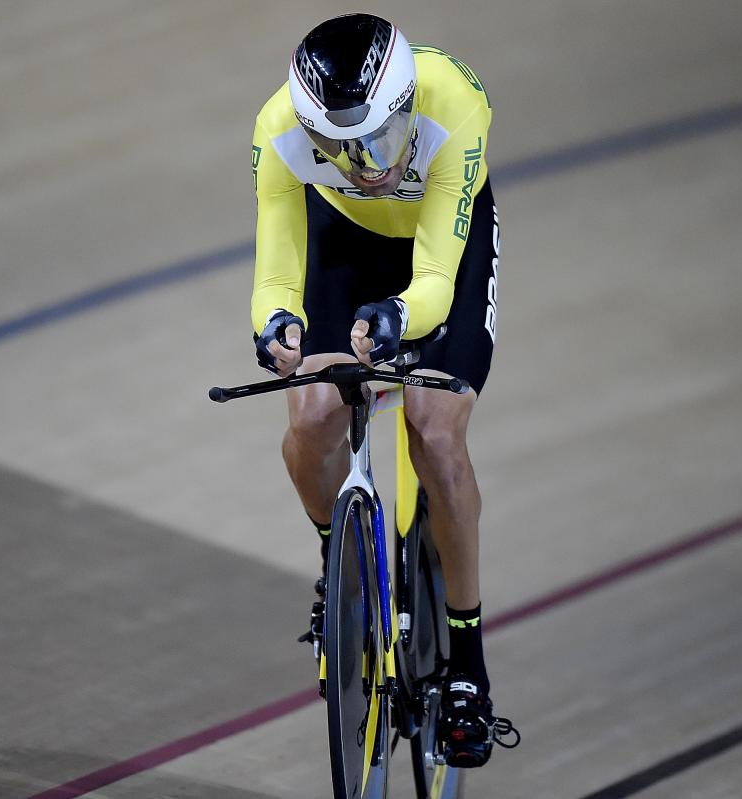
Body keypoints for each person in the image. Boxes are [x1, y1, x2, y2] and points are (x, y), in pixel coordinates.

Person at [249, 13, 512, 767]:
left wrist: (402, 315)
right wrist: (274, 325)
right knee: (311, 414)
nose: (367, 165)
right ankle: (342, 566)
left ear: (405, 110)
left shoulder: (455, 100)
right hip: (346, 244)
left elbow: (432, 276)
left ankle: (467, 662)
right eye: (343, 148)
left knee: (436, 430)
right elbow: (276, 262)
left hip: (440, 247)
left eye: (381, 142)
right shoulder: (276, 130)